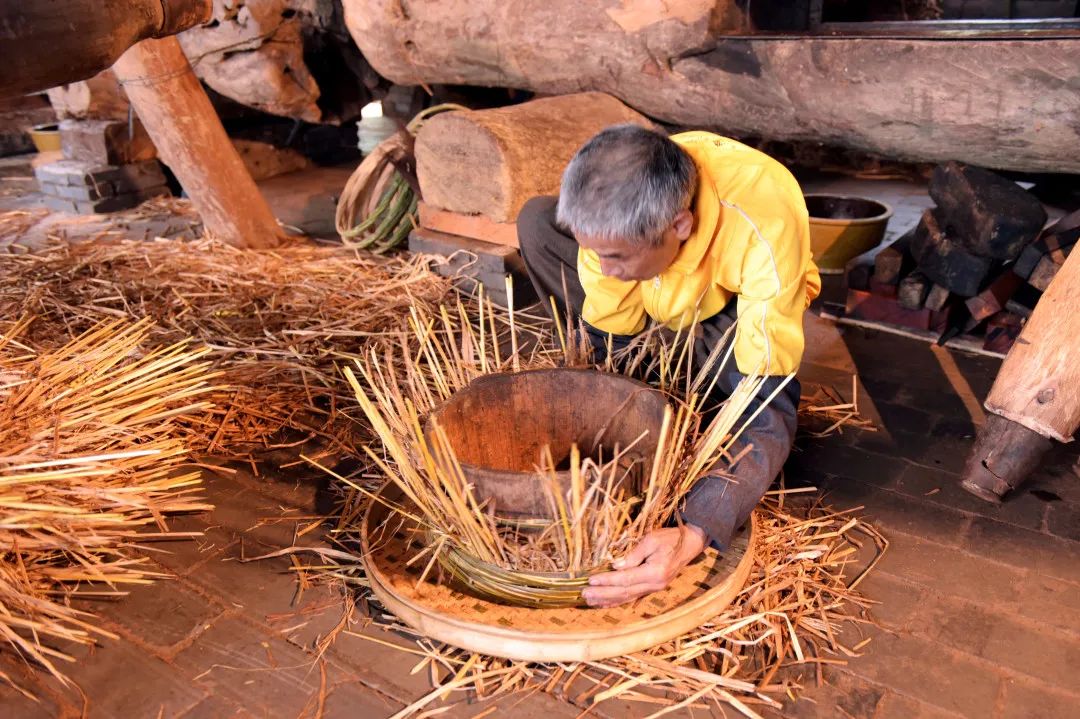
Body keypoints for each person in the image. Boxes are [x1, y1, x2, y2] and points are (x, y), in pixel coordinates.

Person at [516, 124, 821, 608]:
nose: (601, 266)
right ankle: (660, 370)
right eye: (595, 252)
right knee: (535, 219)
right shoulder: (612, 225)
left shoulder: (765, 224)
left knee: (739, 405)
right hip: (654, 293)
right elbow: (606, 319)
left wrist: (695, 530)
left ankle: (694, 380)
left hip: (723, 312)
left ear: (680, 225)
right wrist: (594, 396)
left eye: (613, 256)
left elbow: (767, 412)